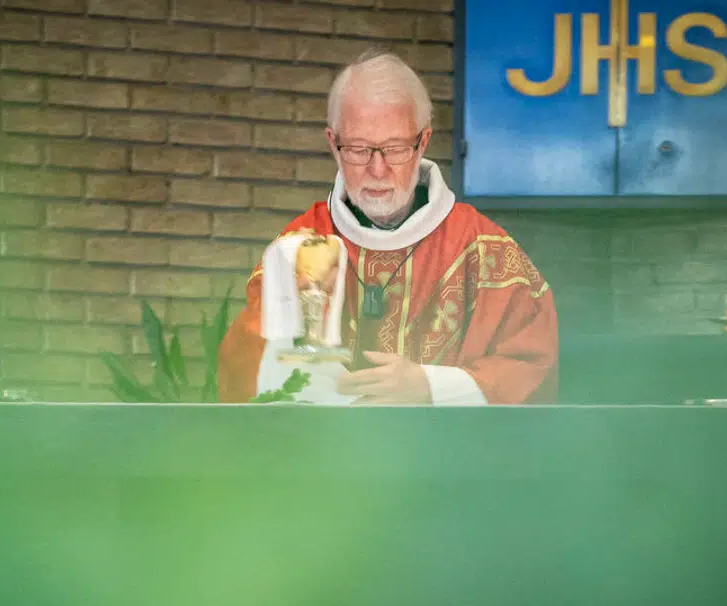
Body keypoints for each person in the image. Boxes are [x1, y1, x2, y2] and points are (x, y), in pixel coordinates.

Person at [219, 51, 559, 405]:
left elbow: (532, 369)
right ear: (333, 145)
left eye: (395, 148)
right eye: (359, 149)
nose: (378, 170)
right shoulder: (299, 247)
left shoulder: (484, 249)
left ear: (423, 142)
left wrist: (430, 387)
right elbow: (245, 367)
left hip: (449, 458)